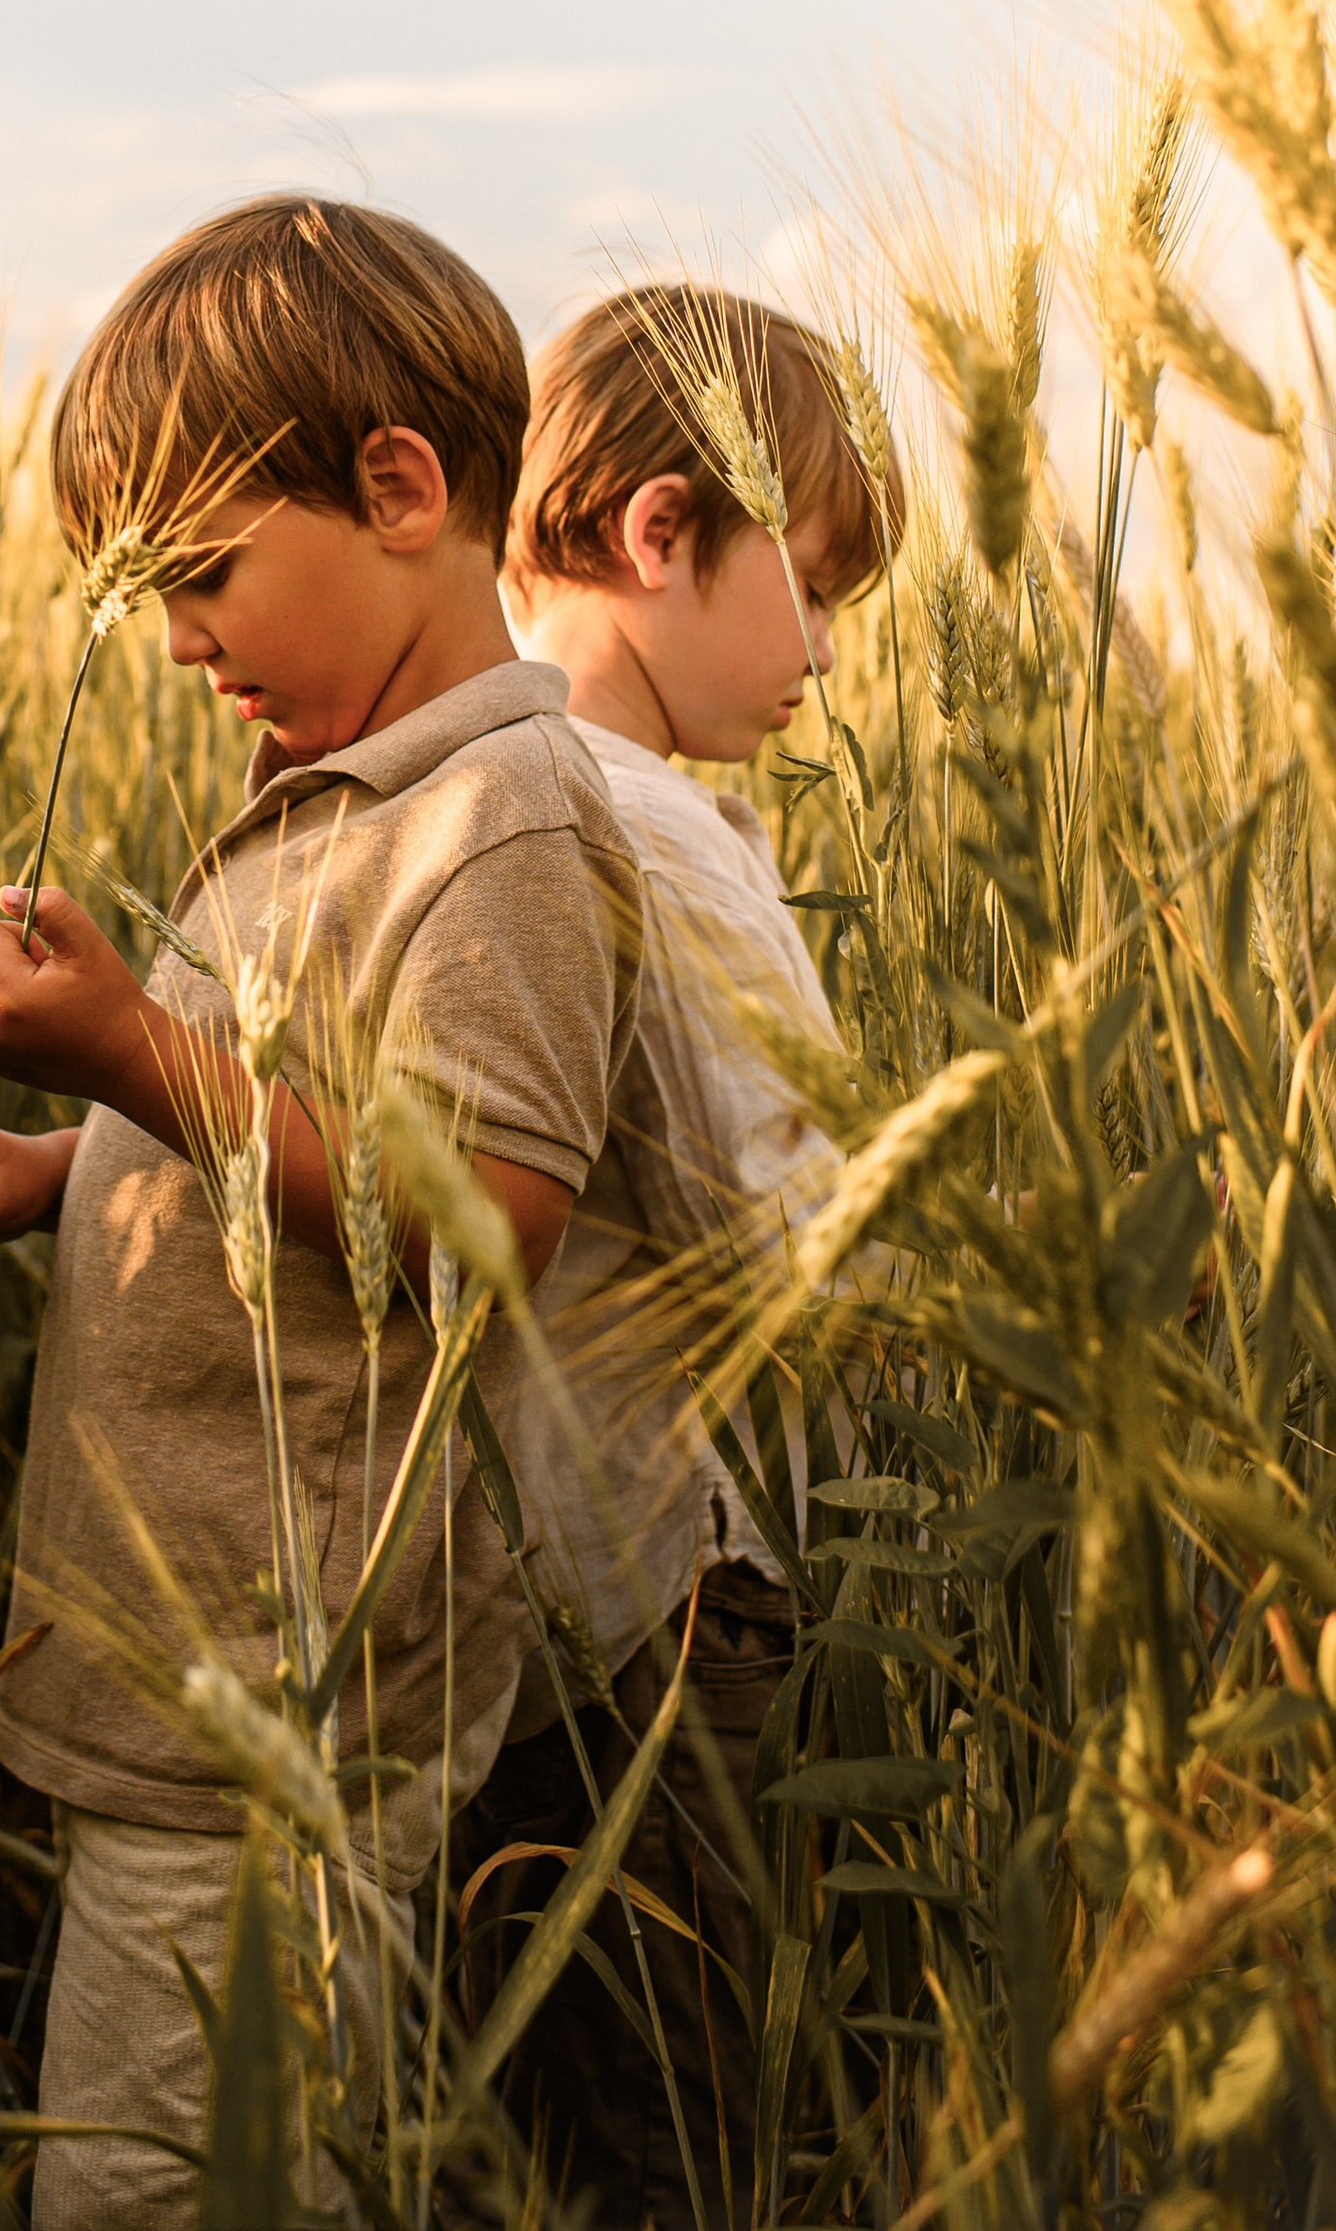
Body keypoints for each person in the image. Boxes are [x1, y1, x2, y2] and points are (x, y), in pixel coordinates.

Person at [0, 194, 641, 2229]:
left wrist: (134, 1050)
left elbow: (474, 1212)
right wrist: (59, 1171)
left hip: (284, 1725)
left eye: (199, 572)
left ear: (398, 489)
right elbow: (268, 1148)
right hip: (186, 1685)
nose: (172, 638)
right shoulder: (333, 809)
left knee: (166, 2188)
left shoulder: (498, 831)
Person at [458, 284, 902, 2231]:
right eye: (804, 587)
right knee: (673, 2131)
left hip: (463, 1609)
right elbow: (789, 1237)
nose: (820, 651)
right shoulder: (665, 832)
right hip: (656, 1619)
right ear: (657, 535)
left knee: (494, 2116)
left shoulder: (433, 789)